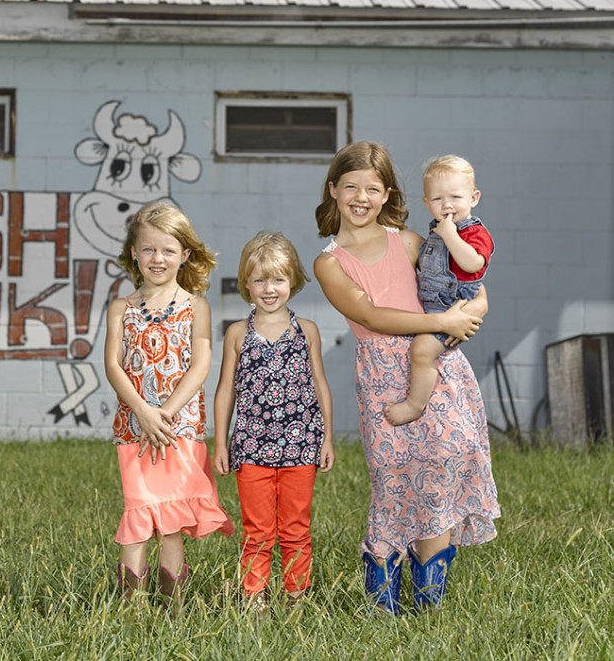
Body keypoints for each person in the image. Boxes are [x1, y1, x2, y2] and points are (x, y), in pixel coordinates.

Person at [313, 142, 499, 614]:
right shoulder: (329, 262)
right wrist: (441, 323)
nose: (361, 197)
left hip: (437, 365)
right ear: (333, 190)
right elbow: (371, 315)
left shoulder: (411, 240)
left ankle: (429, 597)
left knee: (442, 464)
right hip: (383, 373)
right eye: (350, 186)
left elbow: (469, 290)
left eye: (372, 188)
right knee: (394, 477)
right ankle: (382, 598)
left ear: (387, 194)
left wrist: (468, 314)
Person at [104, 200, 234, 605]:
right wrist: (143, 411)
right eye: (148, 249)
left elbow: (200, 366)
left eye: (167, 250)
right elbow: (113, 365)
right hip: (136, 431)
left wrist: (166, 412)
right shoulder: (120, 309)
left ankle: (173, 607)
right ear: (134, 254)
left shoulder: (195, 307)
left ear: (185, 255)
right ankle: (131, 608)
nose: (157, 258)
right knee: (139, 515)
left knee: (173, 521)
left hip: (179, 430)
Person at [214, 232, 335, 609]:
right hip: (251, 448)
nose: (270, 289)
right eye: (260, 280)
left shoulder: (307, 332)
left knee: (296, 526)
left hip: (301, 446)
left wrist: (327, 437)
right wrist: (220, 441)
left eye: (278, 279)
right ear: (246, 283)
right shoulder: (237, 334)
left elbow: (320, 385)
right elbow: (225, 391)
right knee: (258, 529)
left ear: (293, 281)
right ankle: (254, 597)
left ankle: (295, 596)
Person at [385, 155, 494, 426]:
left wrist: (450, 236)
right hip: (433, 305)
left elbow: (473, 263)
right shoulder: (438, 231)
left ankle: (414, 405)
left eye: (456, 197)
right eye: (437, 199)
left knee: (422, 351)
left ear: (474, 197)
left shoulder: (474, 233)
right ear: (426, 203)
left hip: (451, 307)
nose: (446, 205)